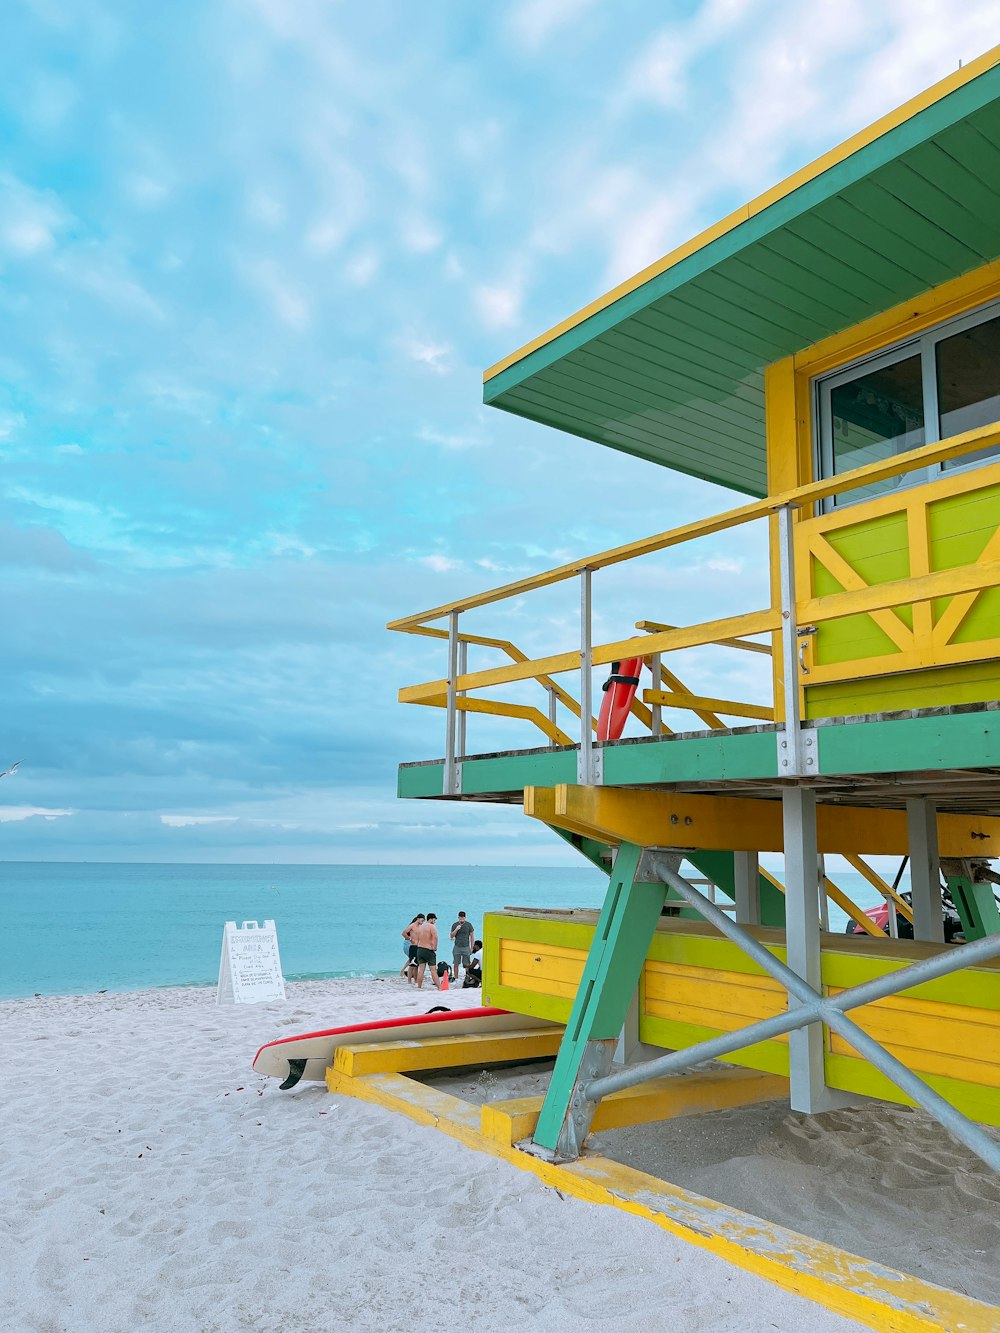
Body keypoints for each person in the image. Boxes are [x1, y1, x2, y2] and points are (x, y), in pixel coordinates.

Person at [411, 912, 439, 990]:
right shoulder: (432, 927)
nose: (435, 921)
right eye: (434, 920)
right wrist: (435, 947)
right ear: (431, 919)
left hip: (420, 949)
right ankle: (439, 987)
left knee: (421, 970)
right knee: (433, 970)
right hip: (428, 950)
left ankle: (419, 987)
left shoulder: (420, 927)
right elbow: (435, 937)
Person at [449, 910, 476, 982]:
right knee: (456, 963)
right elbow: (451, 936)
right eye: (460, 918)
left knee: (467, 964)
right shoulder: (455, 925)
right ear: (458, 918)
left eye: (463, 918)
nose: (461, 920)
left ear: (465, 918)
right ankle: (456, 978)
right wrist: (456, 929)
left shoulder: (469, 925)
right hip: (457, 946)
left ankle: (467, 977)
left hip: (466, 947)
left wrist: (472, 947)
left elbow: (472, 936)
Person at [401, 914, 424, 984]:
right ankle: (409, 982)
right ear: (418, 919)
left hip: (419, 946)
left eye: (424, 921)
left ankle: (416, 980)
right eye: (422, 920)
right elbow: (403, 933)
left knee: (417, 965)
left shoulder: (420, 927)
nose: (423, 922)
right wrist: (410, 938)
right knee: (412, 965)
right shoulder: (412, 925)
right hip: (413, 946)